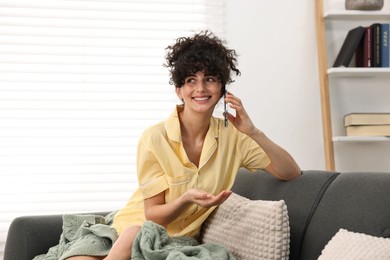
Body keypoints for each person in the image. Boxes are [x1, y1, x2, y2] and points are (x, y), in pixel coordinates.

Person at [67, 30, 301, 260]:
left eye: (210, 79)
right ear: (179, 89)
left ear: (222, 89)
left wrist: (253, 132)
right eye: (191, 80)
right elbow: (153, 216)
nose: (200, 88)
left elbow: (290, 171)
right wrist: (185, 199)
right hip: (127, 229)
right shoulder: (154, 138)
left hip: (173, 243)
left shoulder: (235, 137)